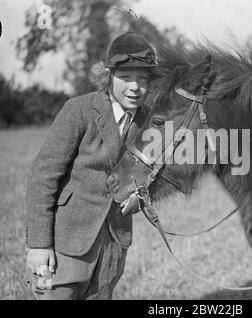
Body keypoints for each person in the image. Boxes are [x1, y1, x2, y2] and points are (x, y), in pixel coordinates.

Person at [25, 32, 156, 300]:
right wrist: (39, 245)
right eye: (126, 77)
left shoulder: (152, 122)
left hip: (113, 247)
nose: (135, 87)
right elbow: (43, 176)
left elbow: (150, 177)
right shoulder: (79, 110)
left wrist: (140, 198)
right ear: (108, 76)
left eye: (143, 79)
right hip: (65, 245)